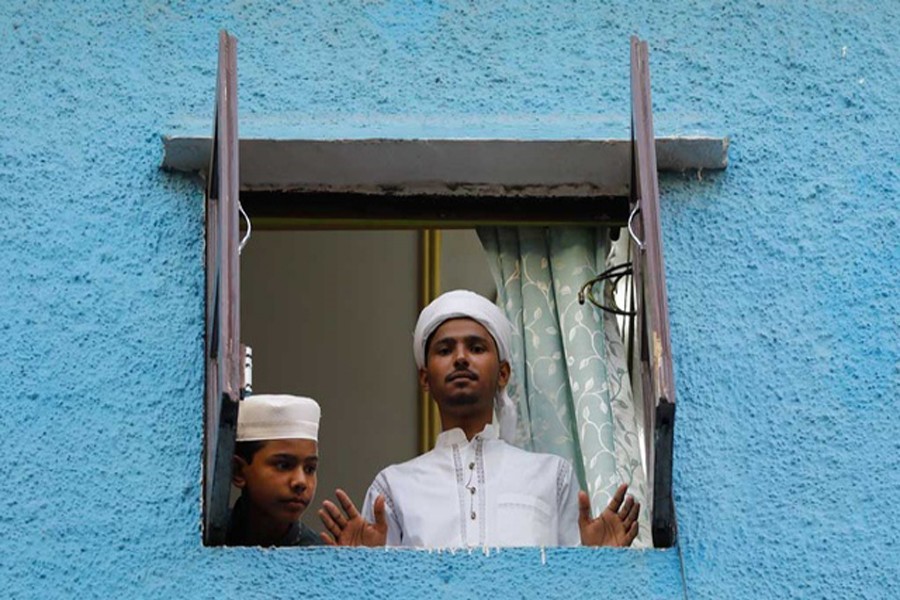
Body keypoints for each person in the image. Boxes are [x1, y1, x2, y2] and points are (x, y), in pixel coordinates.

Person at [319, 290, 640, 548]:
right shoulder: (393, 487)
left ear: (503, 373)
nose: (460, 358)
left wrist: (598, 564)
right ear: (425, 379)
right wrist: (361, 567)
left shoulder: (551, 477)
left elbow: (569, 584)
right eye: (445, 350)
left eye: (475, 347)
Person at [227, 394, 324, 547]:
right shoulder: (206, 540)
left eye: (309, 469)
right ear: (238, 471)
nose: (300, 481)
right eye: (283, 465)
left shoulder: (318, 554)